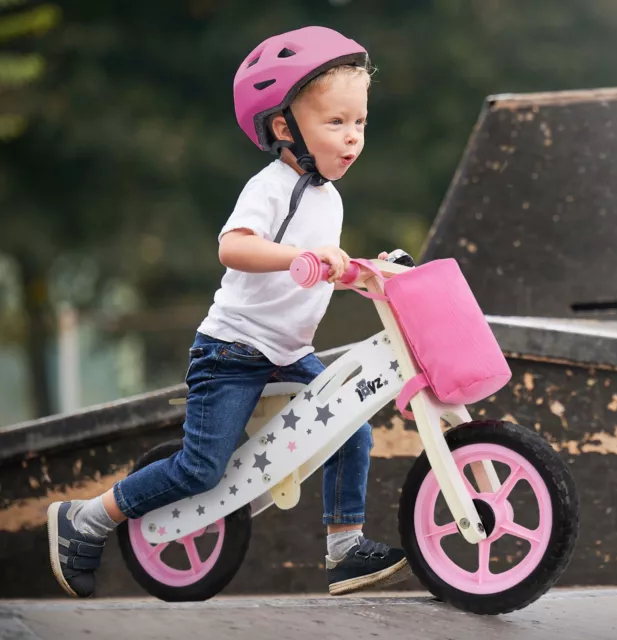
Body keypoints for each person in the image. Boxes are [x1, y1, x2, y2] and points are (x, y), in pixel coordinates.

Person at [47, 25, 410, 599]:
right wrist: (306, 257)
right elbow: (234, 247)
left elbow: (310, 274)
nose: (352, 138)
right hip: (233, 353)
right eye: (335, 123)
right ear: (285, 127)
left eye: (360, 122)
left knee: (351, 424)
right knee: (200, 471)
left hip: (289, 354)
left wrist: (365, 270)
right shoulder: (271, 186)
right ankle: (86, 519)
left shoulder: (328, 197)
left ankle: (344, 547)